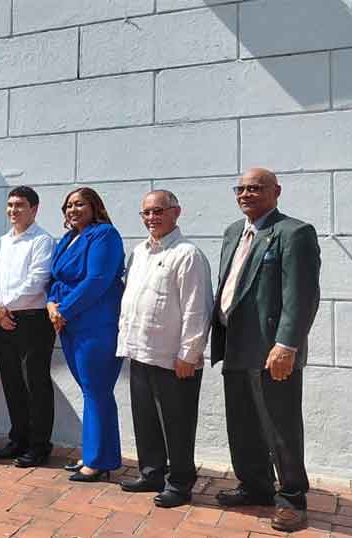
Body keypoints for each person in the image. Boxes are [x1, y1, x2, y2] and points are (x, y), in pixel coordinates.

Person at [211, 168, 320, 532]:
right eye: (240, 188)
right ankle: (255, 485)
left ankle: (292, 499)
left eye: (255, 188)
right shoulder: (233, 232)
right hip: (235, 343)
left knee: (280, 428)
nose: (246, 194)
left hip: (273, 351)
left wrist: (287, 345)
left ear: (276, 191)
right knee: (242, 424)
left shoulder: (294, 232)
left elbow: (302, 295)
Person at [117, 190, 213, 508]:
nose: (151, 218)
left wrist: (189, 353)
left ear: (176, 212)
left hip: (174, 358)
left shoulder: (188, 254)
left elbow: (197, 308)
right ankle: (152, 474)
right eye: (146, 212)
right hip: (140, 350)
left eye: (158, 211)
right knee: (146, 420)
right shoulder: (139, 252)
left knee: (177, 423)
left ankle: (181, 483)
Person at [47, 187, 125, 482]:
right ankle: (97, 453)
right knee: (91, 391)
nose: (73, 210)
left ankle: (98, 461)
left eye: (80, 204)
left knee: (96, 389)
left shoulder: (105, 235)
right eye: (69, 205)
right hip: (69, 324)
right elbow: (54, 278)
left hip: (96, 324)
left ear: (95, 207)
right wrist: (51, 304)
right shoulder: (67, 238)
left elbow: (97, 280)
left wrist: (63, 310)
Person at [0, 186, 57, 467]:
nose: (13, 210)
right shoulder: (1, 242)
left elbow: (36, 281)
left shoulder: (42, 240)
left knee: (35, 384)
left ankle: (40, 446)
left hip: (33, 321)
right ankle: (18, 439)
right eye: (10, 205)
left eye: (19, 205)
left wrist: (3, 305)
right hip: (3, 320)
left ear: (34, 209)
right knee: (12, 383)